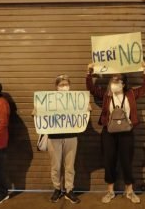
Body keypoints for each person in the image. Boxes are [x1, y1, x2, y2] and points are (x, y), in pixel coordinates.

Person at [86, 61, 145, 204]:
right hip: (108, 133)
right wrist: (89, 72)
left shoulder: (131, 94)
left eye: (118, 79)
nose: (115, 81)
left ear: (123, 82)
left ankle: (129, 191)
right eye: (112, 79)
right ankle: (110, 191)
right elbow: (91, 88)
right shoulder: (107, 95)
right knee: (109, 161)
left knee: (127, 161)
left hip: (126, 133)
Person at [44, 75, 81, 204]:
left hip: (71, 136)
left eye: (66, 84)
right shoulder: (48, 100)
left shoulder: (76, 100)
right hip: (54, 137)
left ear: (69, 86)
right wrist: (37, 111)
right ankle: (57, 188)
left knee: (70, 166)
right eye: (61, 85)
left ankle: (69, 190)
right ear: (56, 87)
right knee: (56, 165)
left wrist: (86, 110)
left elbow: (82, 115)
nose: (64, 87)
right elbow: (41, 114)